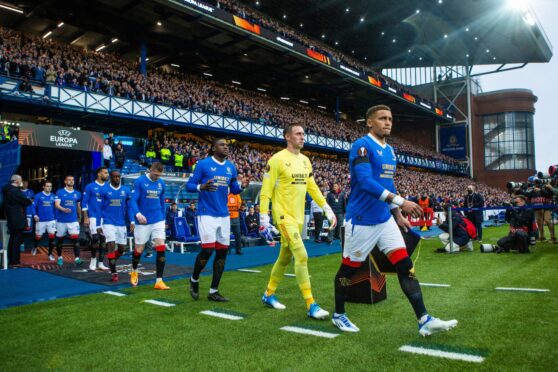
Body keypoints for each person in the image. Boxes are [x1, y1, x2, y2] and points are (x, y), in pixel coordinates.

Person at [331, 105, 457, 335]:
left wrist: (397, 215)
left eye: (390, 118)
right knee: (347, 272)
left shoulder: (390, 151)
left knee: (405, 265)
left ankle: (424, 319)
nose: (388, 122)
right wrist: (401, 202)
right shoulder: (361, 146)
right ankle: (339, 314)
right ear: (370, 122)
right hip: (361, 221)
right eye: (382, 118)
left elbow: (388, 185)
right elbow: (367, 182)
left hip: (384, 220)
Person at [259, 123, 337, 319]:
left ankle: (268, 294)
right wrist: (263, 218)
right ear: (287, 136)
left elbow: (312, 187)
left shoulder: (305, 161)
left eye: (304, 134)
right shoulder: (276, 160)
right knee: (301, 256)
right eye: (298, 134)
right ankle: (311, 304)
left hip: (299, 218)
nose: (303, 137)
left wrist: (327, 208)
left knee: (285, 257)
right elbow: (266, 191)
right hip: (283, 217)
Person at [186, 138, 248, 302]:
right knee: (207, 250)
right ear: (214, 148)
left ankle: (213, 291)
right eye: (222, 145)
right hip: (206, 213)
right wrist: (201, 187)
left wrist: (242, 186)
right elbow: (189, 186)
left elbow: (234, 189)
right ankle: (194, 279)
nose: (226, 147)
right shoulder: (203, 164)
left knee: (222, 252)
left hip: (224, 214)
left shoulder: (230, 167)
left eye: (227, 145)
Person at [129, 162, 169, 289]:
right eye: (155, 174)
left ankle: (159, 281)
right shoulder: (139, 181)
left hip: (158, 219)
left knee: (161, 246)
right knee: (139, 250)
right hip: (143, 221)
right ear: (150, 169)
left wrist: (163, 219)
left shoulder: (161, 183)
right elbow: (133, 200)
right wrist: (138, 214)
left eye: (159, 175)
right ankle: (134, 270)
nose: (157, 177)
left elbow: (162, 202)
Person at [99, 170, 133, 282]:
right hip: (108, 223)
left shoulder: (126, 190)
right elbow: (99, 208)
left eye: (118, 177)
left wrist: (132, 221)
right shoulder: (104, 190)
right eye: (114, 177)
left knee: (122, 249)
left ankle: (111, 260)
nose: (117, 178)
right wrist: (99, 224)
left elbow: (130, 207)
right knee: (111, 246)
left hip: (121, 224)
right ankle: (114, 273)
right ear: (110, 178)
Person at [82, 167, 109, 271]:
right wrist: (85, 217)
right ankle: (93, 261)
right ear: (99, 174)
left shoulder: (108, 187)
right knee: (95, 239)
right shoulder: (90, 186)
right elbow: (84, 202)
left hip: (105, 217)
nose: (107, 175)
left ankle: (101, 263)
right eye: (105, 173)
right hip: (93, 216)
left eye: (107, 173)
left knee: (103, 239)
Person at [2, 174, 33, 267]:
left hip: (11, 217)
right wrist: (30, 200)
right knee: (16, 240)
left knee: (12, 239)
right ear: (16, 181)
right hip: (17, 218)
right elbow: (25, 201)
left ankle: (11, 259)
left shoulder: (6, 190)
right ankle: (15, 261)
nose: (21, 182)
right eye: (21, 180)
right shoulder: (15, 191)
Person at [54, 175, 83, 266]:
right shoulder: (60, 192)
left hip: (73, 220)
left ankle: (77, 258)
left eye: (72, 180)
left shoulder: (78, 194)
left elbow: (78, 206)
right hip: (61, 221)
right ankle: (59, 257)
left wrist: (80, 216)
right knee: (60, 240)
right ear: (65, 182)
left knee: (76, 239)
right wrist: (63, 209)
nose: (71, 181)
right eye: (69, 180)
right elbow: (56, 205)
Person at [33, 180, 57, 260]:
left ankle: (50, 254)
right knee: (38, 237)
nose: (49, 188)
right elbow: (33, 207)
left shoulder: (54, 196)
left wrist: (56, 219)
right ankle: (35, 246)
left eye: (50, 186)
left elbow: (55, 209)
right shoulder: (38, 196)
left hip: (51, 220)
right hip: (40, 220)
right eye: (47, 186)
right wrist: (35, 215)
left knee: (52, 237)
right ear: (43, 186)